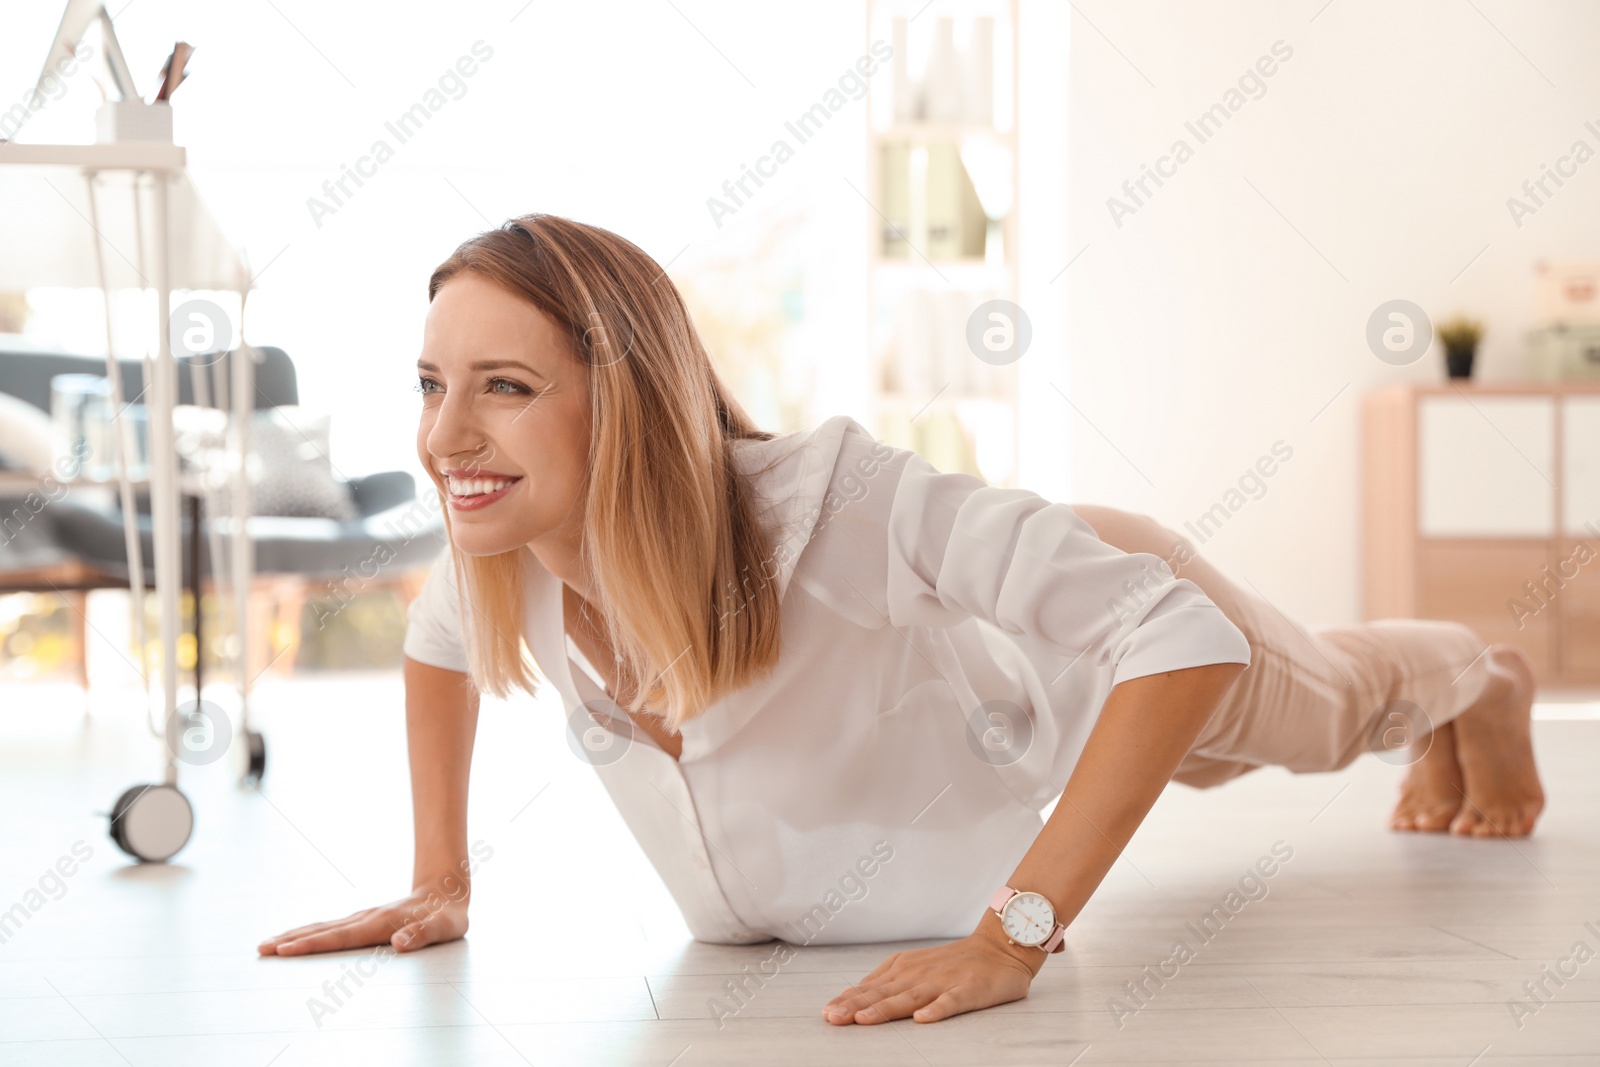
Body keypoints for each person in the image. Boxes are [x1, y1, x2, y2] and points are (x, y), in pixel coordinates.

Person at [256, 214, 1545, 1026]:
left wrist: (1015, 937)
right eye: (430, 384)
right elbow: (438, 650)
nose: (443, 438)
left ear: (628, 400)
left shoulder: (838, 502)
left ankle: (1484, 678)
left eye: (503, 386)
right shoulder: (513, 546)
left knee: (1323, 715)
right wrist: (441, 880)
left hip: (1102, 603)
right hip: (1032, 717)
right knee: (1230, 748)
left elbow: (1179, 643)